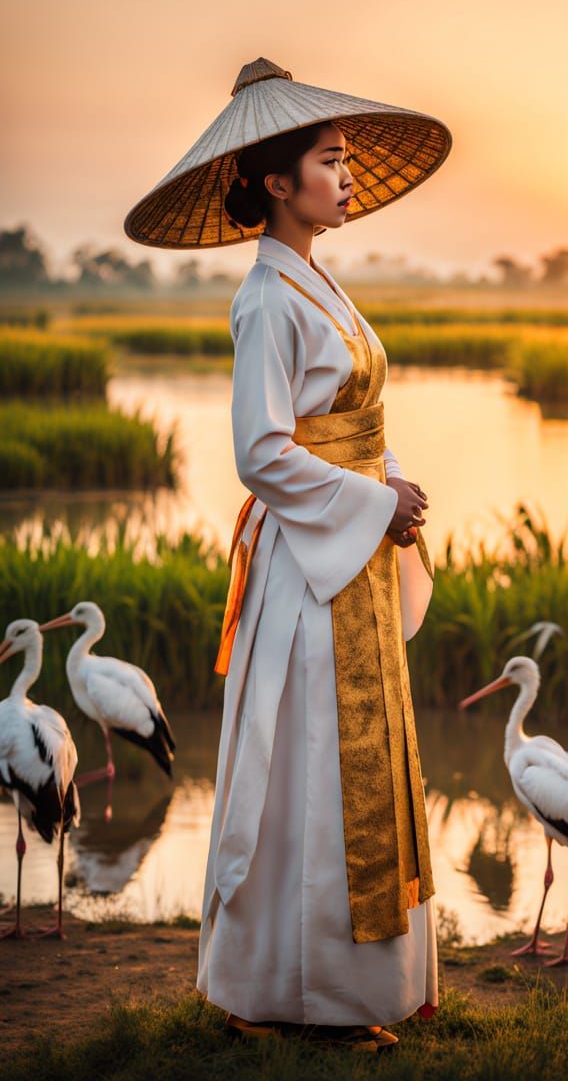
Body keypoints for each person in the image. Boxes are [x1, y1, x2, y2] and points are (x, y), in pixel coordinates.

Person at [124, 58, 452, 1050]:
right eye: (327, 159)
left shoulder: (316, 281)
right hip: (308, 573)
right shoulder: (264, 300)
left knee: (350, 767)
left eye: (349, 160)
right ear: (274, 181)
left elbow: (345, 418)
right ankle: (298, 997)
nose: (345, 176)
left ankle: (343, 991)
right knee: (309, 773)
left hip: (346, 551)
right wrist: (371, 497)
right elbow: (262, 453)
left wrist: (389, 489)